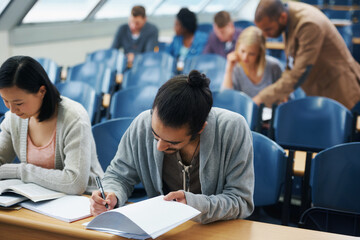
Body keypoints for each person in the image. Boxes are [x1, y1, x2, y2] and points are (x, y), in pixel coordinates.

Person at [90, 70, 254, 224]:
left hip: (216, 230)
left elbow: (240, 201)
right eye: (155, 135)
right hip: (161, 228)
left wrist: (193, 204)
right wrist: (112, 194)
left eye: (172, 142)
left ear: (200, 129)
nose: (160, 146)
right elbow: (119, 175)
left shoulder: (232, 129)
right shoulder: (142, 124)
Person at [0, 56, 104, 194]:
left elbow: (75, 183)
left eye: (19, 103)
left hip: (88, 199)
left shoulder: (74, 117)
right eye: (5, 101)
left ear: (41, 91)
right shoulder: (14, 119)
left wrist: (20, 170)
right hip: (39, 198)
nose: (12, 110)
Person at [253, 0, 360, 109]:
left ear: (283, 17)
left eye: (268, 29)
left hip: (342, 91)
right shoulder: (286, 14)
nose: (265, 35)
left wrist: (262, 98)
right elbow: (291, 62)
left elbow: (299, 72)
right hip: (322, 89)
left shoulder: (309, 24)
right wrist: (281, 93)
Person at [222, 26, 283, 98]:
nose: (245, 57)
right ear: (238, 47)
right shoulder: (235, 67)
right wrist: (229, 69)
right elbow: (226, 98)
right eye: (242, 51)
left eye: (251, 54)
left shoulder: (274, 66)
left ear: (260, 53)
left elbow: (286, 98)